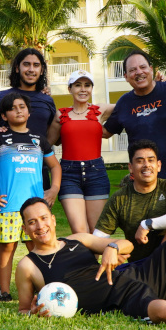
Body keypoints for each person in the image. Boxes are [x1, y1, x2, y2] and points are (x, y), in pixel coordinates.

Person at [15, 197, 166, 323]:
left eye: (44, 218)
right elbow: (24, 310)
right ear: (25, 229)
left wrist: (112, 246)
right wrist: (33, 313)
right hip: (122, 299)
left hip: (134, 274)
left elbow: (128, 245)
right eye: (32, 222)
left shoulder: (77, 239)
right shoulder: (28, 265)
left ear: (53, 220)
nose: (40, 226)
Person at [0, 91, 61, 301]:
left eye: (22, 107)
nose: (18, 111)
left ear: (28, 112)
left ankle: (43, 288)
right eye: (12, 109)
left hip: (34, 209)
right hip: (8, 206)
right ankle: (3, 291)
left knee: (37, 247)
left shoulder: (39, 140)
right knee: (7, 248)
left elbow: (55, 166)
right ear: (4, 116)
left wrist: (53, 189)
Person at [92, 140, 166, 264]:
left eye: (151, 160)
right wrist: (112, 249)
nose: (146, 165)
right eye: (140, 161)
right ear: (130, 167)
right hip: (139, 267)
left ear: (159, 165)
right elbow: (98, 237)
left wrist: (147, 224)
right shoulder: (119, 198)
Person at [103, 50, 166, 181]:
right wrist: (88, 113)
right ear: (126, 76)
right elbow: (105, 132)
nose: (139, 72)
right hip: (142, 181)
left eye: (143, 67)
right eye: (132, 70)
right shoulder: (124, 103)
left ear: (151, 69)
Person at [57, 70, 115, 234]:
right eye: (78, 85)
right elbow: (49, 141)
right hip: (68, 174)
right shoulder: (60, 114)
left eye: (87, 85)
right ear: (70, 89)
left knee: (96, 230)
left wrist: (157, 84)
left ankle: (94, 254)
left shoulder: (100, 110)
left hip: (96, 173)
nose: (83, 89)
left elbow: (130, 103)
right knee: (80, 230)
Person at [0, 47, 59, 144]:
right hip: (9, 153)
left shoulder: (47, 99)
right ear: (17, 68)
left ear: (41, 70)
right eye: (26, 64)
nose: (31, 69)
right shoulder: (1, 97)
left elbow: (55, 138)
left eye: (36, 65)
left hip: (40, 153)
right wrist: (2, 146)